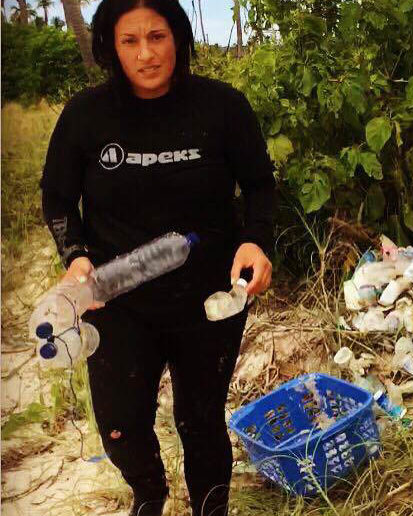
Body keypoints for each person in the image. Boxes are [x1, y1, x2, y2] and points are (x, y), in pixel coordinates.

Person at [40, 1, 276, 515]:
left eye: (158, 36)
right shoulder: (86, 115)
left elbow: (260, 186)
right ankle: (148, 495)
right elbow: (57, 199)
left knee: (201, 418)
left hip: (208, 298)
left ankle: (211, 508)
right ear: (110, 47)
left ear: (180, 38)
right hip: (115, 298)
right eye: (130, 41)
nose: (147, 54)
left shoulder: (222, 107)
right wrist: (75, 255)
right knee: (120, 421)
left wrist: (255, 240)